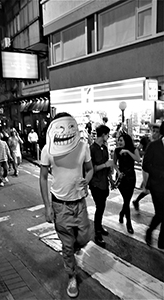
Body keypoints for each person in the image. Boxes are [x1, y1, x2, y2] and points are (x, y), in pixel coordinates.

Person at [40, 112, 93, 298]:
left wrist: (87, 180)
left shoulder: (83, 147)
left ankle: (73, 249)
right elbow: (43, 177)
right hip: (60, 206)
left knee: (86, 236)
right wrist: (47, 206)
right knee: (68, 246)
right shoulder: (48, 150)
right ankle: (72, 276)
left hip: (80, 203)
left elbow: (90, 169)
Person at [89, 125, 113, 247]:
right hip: (96, 183)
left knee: (102, 207)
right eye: (108, 135)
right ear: (103, 135)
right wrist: (105, 164)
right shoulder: (92, 149)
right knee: (99, 207)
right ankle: (97, 233)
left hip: (104, 183)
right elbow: (91, 169)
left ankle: (99, 227)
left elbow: (108, 166)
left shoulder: (104, 147)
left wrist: (111, 179)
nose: (108, 137)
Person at [142, 121, 164, 250]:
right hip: (156, 185)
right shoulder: (153, 146)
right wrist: (161, 173)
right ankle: (150, 231)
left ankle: (162, 241)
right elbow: (145, 165)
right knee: (161, 213)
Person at [113, 133, 140, 234]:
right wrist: (118, 171)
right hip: (121, 178)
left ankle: (122, 213)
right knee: (126, 200)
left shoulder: (134, 149)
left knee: (127, 200)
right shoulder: (116, 150)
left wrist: (128, 151)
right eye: (118, 140)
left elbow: (138, 159)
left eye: (121, 140)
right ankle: (128, 223)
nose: (119, 142)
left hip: (131, 177)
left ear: (126, 141)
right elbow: (114, 163)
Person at [133, 124, 161, 211]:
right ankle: (137, 201)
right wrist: (145, 155)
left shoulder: (160, 143)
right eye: (154, 131)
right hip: (147, 165)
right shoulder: (145, 139)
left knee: (151, 188)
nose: (155, 134)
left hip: (156, 166)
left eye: (157, 132)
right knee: (148, 188)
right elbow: (137, 149)